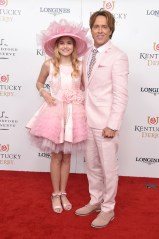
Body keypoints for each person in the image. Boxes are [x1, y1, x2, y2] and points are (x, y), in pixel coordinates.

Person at [26, 19, 90, 214]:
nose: (65, 46)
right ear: (55, 46)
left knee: (67, 156)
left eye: (69, 43)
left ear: (75, 46)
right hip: (54, 112)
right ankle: (55, 193)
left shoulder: (80, 64)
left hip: (75, 113)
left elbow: (87, 89)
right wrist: (44, 93)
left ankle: (64, 192)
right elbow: (39, 82)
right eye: (61, 43)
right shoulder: (49, 64)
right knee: (56, 155)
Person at [75, 9, 129, 228]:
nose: (99, 30)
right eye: (96, 26)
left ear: (111, 30)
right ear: (91, 29)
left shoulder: (118, 56)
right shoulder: (87, 54)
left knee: (108, 168)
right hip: (86, 120)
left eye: (104, 27)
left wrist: (112, 124)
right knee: (93, 166)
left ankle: (108, 208)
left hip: (106, 123)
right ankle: (95, 200)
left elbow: (121, 94)